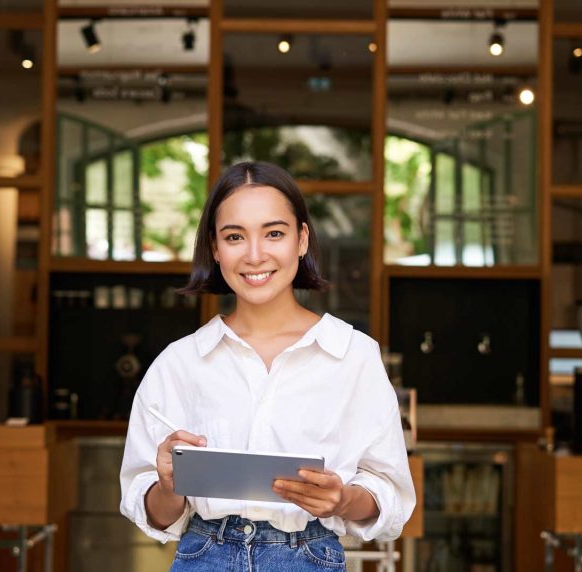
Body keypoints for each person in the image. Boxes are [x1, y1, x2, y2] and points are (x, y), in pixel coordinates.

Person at [119, 161, 415, 571]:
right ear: (216, 248)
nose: (255, 255)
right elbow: (153, 511)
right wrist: (169, 485)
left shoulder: (353, 356)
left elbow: (390, 498)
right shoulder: (179, 363)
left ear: (302, 239)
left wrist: (343, 498)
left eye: (274, 233)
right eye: (235, 236)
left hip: (311, 557)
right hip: (203, 556)